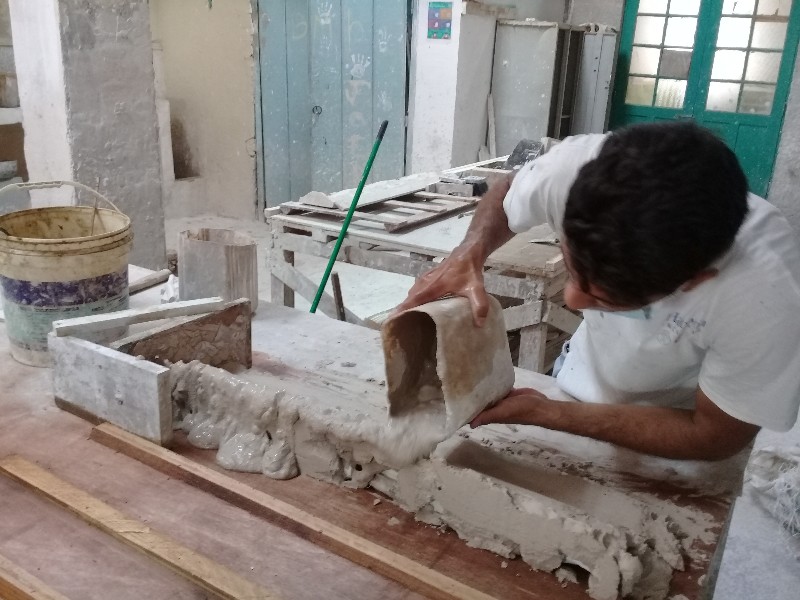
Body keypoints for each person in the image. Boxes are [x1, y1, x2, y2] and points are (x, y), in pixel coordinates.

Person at [397, 121, 800, 461]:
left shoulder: (766, 297)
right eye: (572, 268)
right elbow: (506, 194)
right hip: (582, 377)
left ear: (694, 282)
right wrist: (469, 251)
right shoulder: (572, 172)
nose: (572, 301)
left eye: (605, 299)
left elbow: (715, 434)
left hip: (675, 420)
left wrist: (552, 413)